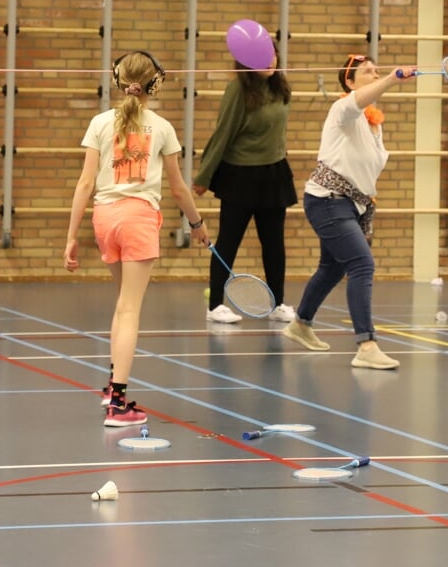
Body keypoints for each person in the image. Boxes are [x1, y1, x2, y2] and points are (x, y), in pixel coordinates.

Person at [65, 50, 211, 426]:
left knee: (121, 305)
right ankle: (118, 403)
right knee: (130, 309)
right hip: (138, 219)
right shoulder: (161, 127)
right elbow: (178, 188)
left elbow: (85, 183)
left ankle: (111, 386)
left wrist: (70, 236)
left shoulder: (99, 122)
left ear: (117, 79)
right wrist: (197, 224)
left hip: (104, 219)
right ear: (155, 83)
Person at [280, 53, 411, 370]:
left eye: (375, 70)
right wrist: (391, 78)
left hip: (351, 204)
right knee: (362, 264)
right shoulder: (342, 109)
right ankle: (366, 345)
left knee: (332, 269)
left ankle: (301, 324)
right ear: (349, 82)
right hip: (328, 200)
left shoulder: (373, 124)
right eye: (366, 72)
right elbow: (361, 99)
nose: (373, 73)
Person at [193, 52, 297, 324]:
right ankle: (215, 305)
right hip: (240, 175)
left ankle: (278, 303)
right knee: (229, 241)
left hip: (273, 174)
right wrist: (204, 176)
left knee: (274, 244)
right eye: (264, 56)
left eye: (273, 54)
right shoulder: (237, 90)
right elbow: (222, 133)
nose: (271, 61)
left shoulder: (280, 87)